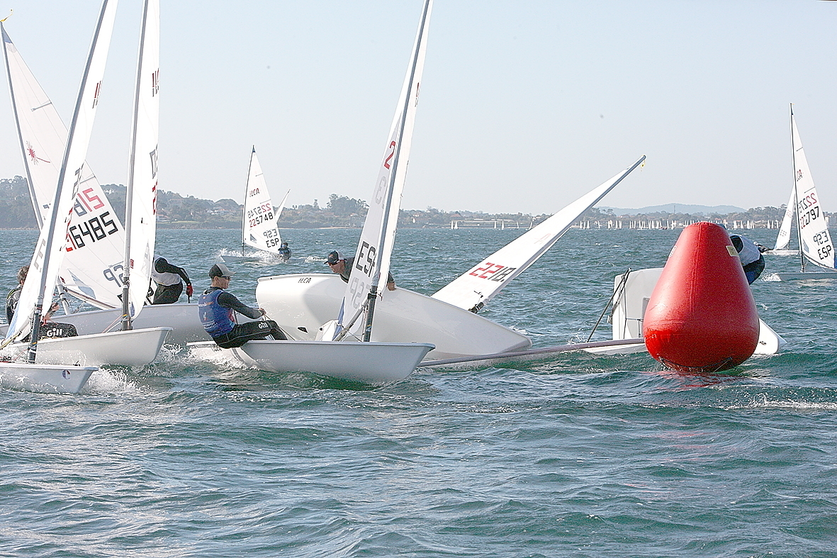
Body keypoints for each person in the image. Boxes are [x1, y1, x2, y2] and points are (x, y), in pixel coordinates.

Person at [198, 262, 287, 348]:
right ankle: (288, 351)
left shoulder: (203, 296)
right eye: (227, 278)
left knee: (257, 335)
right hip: (232, 336)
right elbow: (251, 314)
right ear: (216, 278)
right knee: (272, 325)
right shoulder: (223, 296)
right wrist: (260, 312)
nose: (229, 280)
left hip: (219, 340)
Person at [5, 265, 77, 339]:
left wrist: (51, 310)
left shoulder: (26, 294)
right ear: (23, 282)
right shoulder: (18, 295)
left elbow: (40, 316)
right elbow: (24, 315)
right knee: (70, 329)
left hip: (31, 330)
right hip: (26, 334)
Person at [325, 250, 395, 291]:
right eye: (329, 264)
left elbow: (376, 264)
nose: (331, 266)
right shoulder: (342, 274)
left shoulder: (353, 264)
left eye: (333, 263)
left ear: (341, 261)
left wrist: (390, 281)